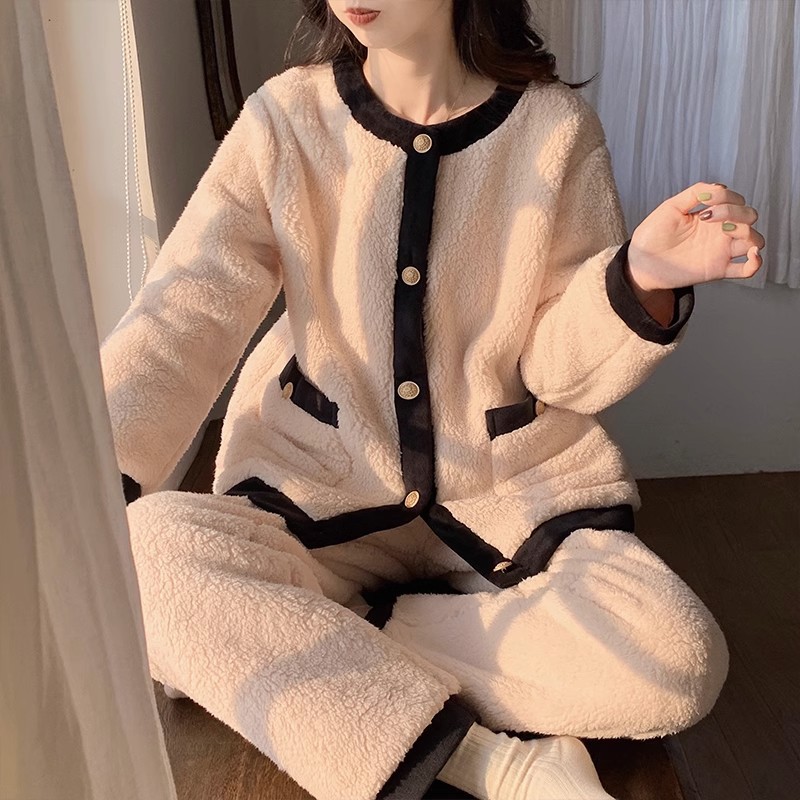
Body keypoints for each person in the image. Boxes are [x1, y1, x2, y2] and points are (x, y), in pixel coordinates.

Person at [100, 1, 764, 799]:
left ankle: (328, 639)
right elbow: (188, 310)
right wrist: (96, 477)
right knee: (142, 556)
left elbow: (561, 371)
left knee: (674, 661)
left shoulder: (555, 129)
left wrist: (640, 278)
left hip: (508, 500)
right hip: (318, 497)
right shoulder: (284, 119)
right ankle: (498, 768)